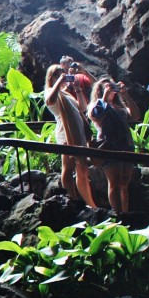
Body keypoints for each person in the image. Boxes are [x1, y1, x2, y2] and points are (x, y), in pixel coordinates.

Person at [44, 64, 97, 207]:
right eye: (56, 75)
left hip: (78, 132)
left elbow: (82, 108)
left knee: (82, 168)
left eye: (62, 74)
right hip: (66, 133)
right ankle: (72, 199)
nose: (61, 77)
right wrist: (58, 82)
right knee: (68, 167)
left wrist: (78, 88)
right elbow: (49, 101)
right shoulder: (50, 91)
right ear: (51, 77)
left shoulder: (65, 93)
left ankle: (89, 202)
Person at [89, 79, 140, 214]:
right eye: (108, 86)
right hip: (109, 146)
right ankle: (117, 214)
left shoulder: (120, 107)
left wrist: (125, 95)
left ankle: (125, 213)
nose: (111, 89)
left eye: (113, 86)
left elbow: (135, 116)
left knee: (124, 183)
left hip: (126, 145)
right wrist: (105, 97)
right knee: (114, 182)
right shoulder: (97, 105)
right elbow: (97, 116)